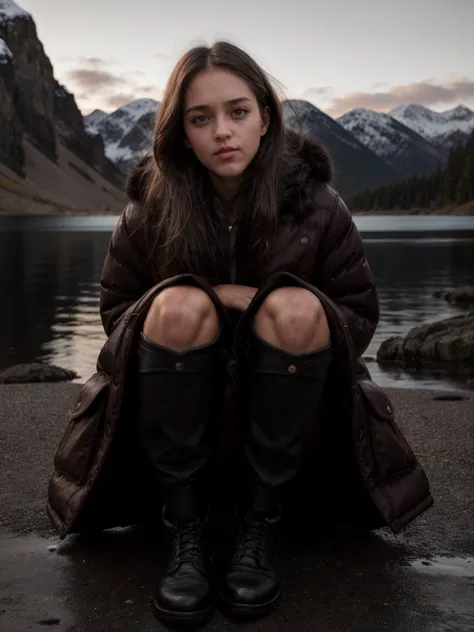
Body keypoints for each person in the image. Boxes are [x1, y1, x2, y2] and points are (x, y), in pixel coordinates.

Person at [46, 40, 433, 626]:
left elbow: (357, 317)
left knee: (302, 309)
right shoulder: (149, 207)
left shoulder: (320, 206)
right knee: (174, 305)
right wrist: (199, 300)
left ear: (265, 119)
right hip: (175, 413)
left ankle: (258, 524)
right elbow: (116, 316)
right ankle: (187, 530)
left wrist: (265, 306)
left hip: (292, 422)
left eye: (238, 112)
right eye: (201, 119)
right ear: (181, 132)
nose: (222, 132)